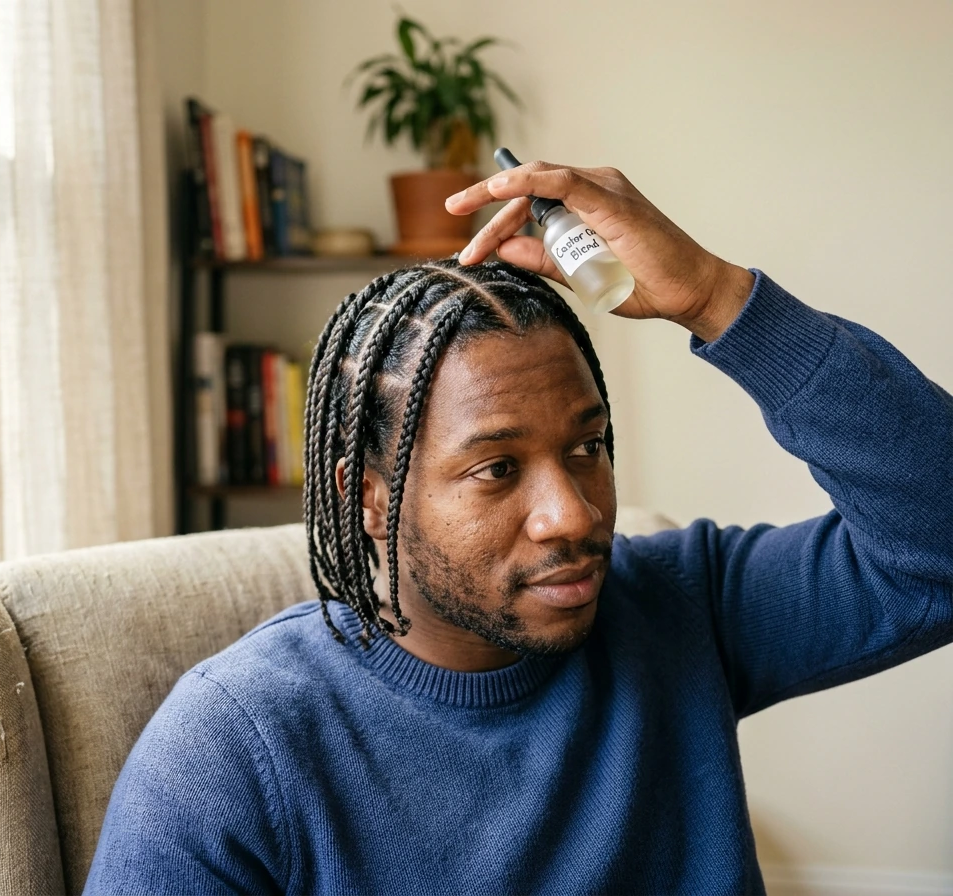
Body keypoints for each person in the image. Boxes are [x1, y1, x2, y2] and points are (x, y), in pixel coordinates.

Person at [84, 161, 953, 895]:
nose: (572, 513)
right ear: (371, 497)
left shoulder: (686, 608)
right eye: (496, 468)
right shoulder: (231, 752)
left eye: (587, 447)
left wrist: (718, 299)